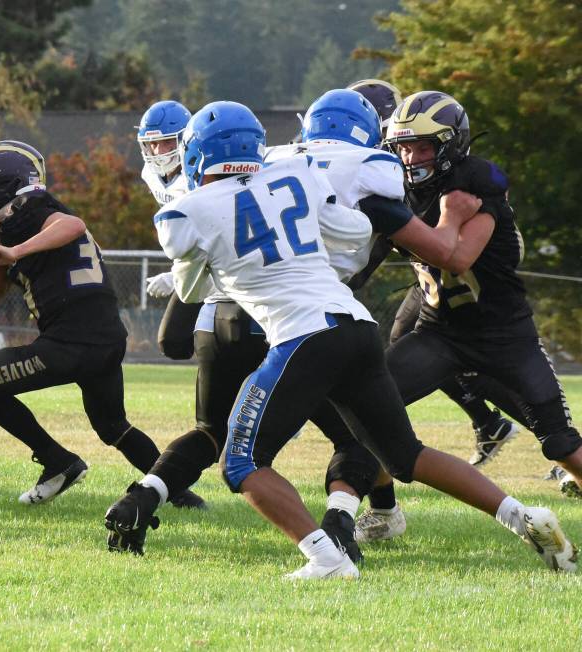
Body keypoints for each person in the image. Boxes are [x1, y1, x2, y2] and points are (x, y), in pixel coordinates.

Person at [147, 100, 575, 578]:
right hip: (356, 326)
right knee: (406, 455)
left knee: (241, 462)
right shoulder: (296, 177)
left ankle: (326, 559)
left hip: (301, 337)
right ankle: (523, 517)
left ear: (197, 154)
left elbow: (190, 290)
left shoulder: (186, 212)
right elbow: (353, 233)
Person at [104, 88, 480, 559]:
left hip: (220, 317)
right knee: (354, 436)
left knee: (211, 432)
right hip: (299, 327)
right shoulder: (319, 174)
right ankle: (339, 527)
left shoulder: (255, 172)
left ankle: (143, 496)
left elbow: (192, 276)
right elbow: (357, 233)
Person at [357, 91, 582, 541]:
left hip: (505, 336)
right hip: (439, 333)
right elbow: (366, 260)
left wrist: (437, 218)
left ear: (450, 144)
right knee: (370, 407)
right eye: (403, 147)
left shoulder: (473, 185)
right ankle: (382, 511)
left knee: (560, 442)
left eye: (422, 146)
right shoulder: (396, 186)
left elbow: (456, 258)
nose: (411, 157)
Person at [0, 140, 202, 507]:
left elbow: (73, 225)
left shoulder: (30, 209)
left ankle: (57, 460)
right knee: (113, 427)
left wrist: (15, 252)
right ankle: (182, 497)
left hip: (71, 343)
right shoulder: (15, 226)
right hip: (104, 339)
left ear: (7, 182)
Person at [347, 82, 520, 467]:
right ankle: (489, 421)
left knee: (474, 360)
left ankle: (553, 436)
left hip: (473, 272)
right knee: (407, 340)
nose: (409, 155)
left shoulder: (461, 175)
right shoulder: (394, 165)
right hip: (433, 271)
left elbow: (445, 246)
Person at [135, 100, 202, 362]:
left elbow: (214, 233)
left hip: (221, 263)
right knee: (172, 342)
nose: (158, 151)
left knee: (219, 339)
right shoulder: (150, 174)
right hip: (191, 265)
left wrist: (175, 277)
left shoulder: (200, 174)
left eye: (166, 142)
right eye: (152, 143)